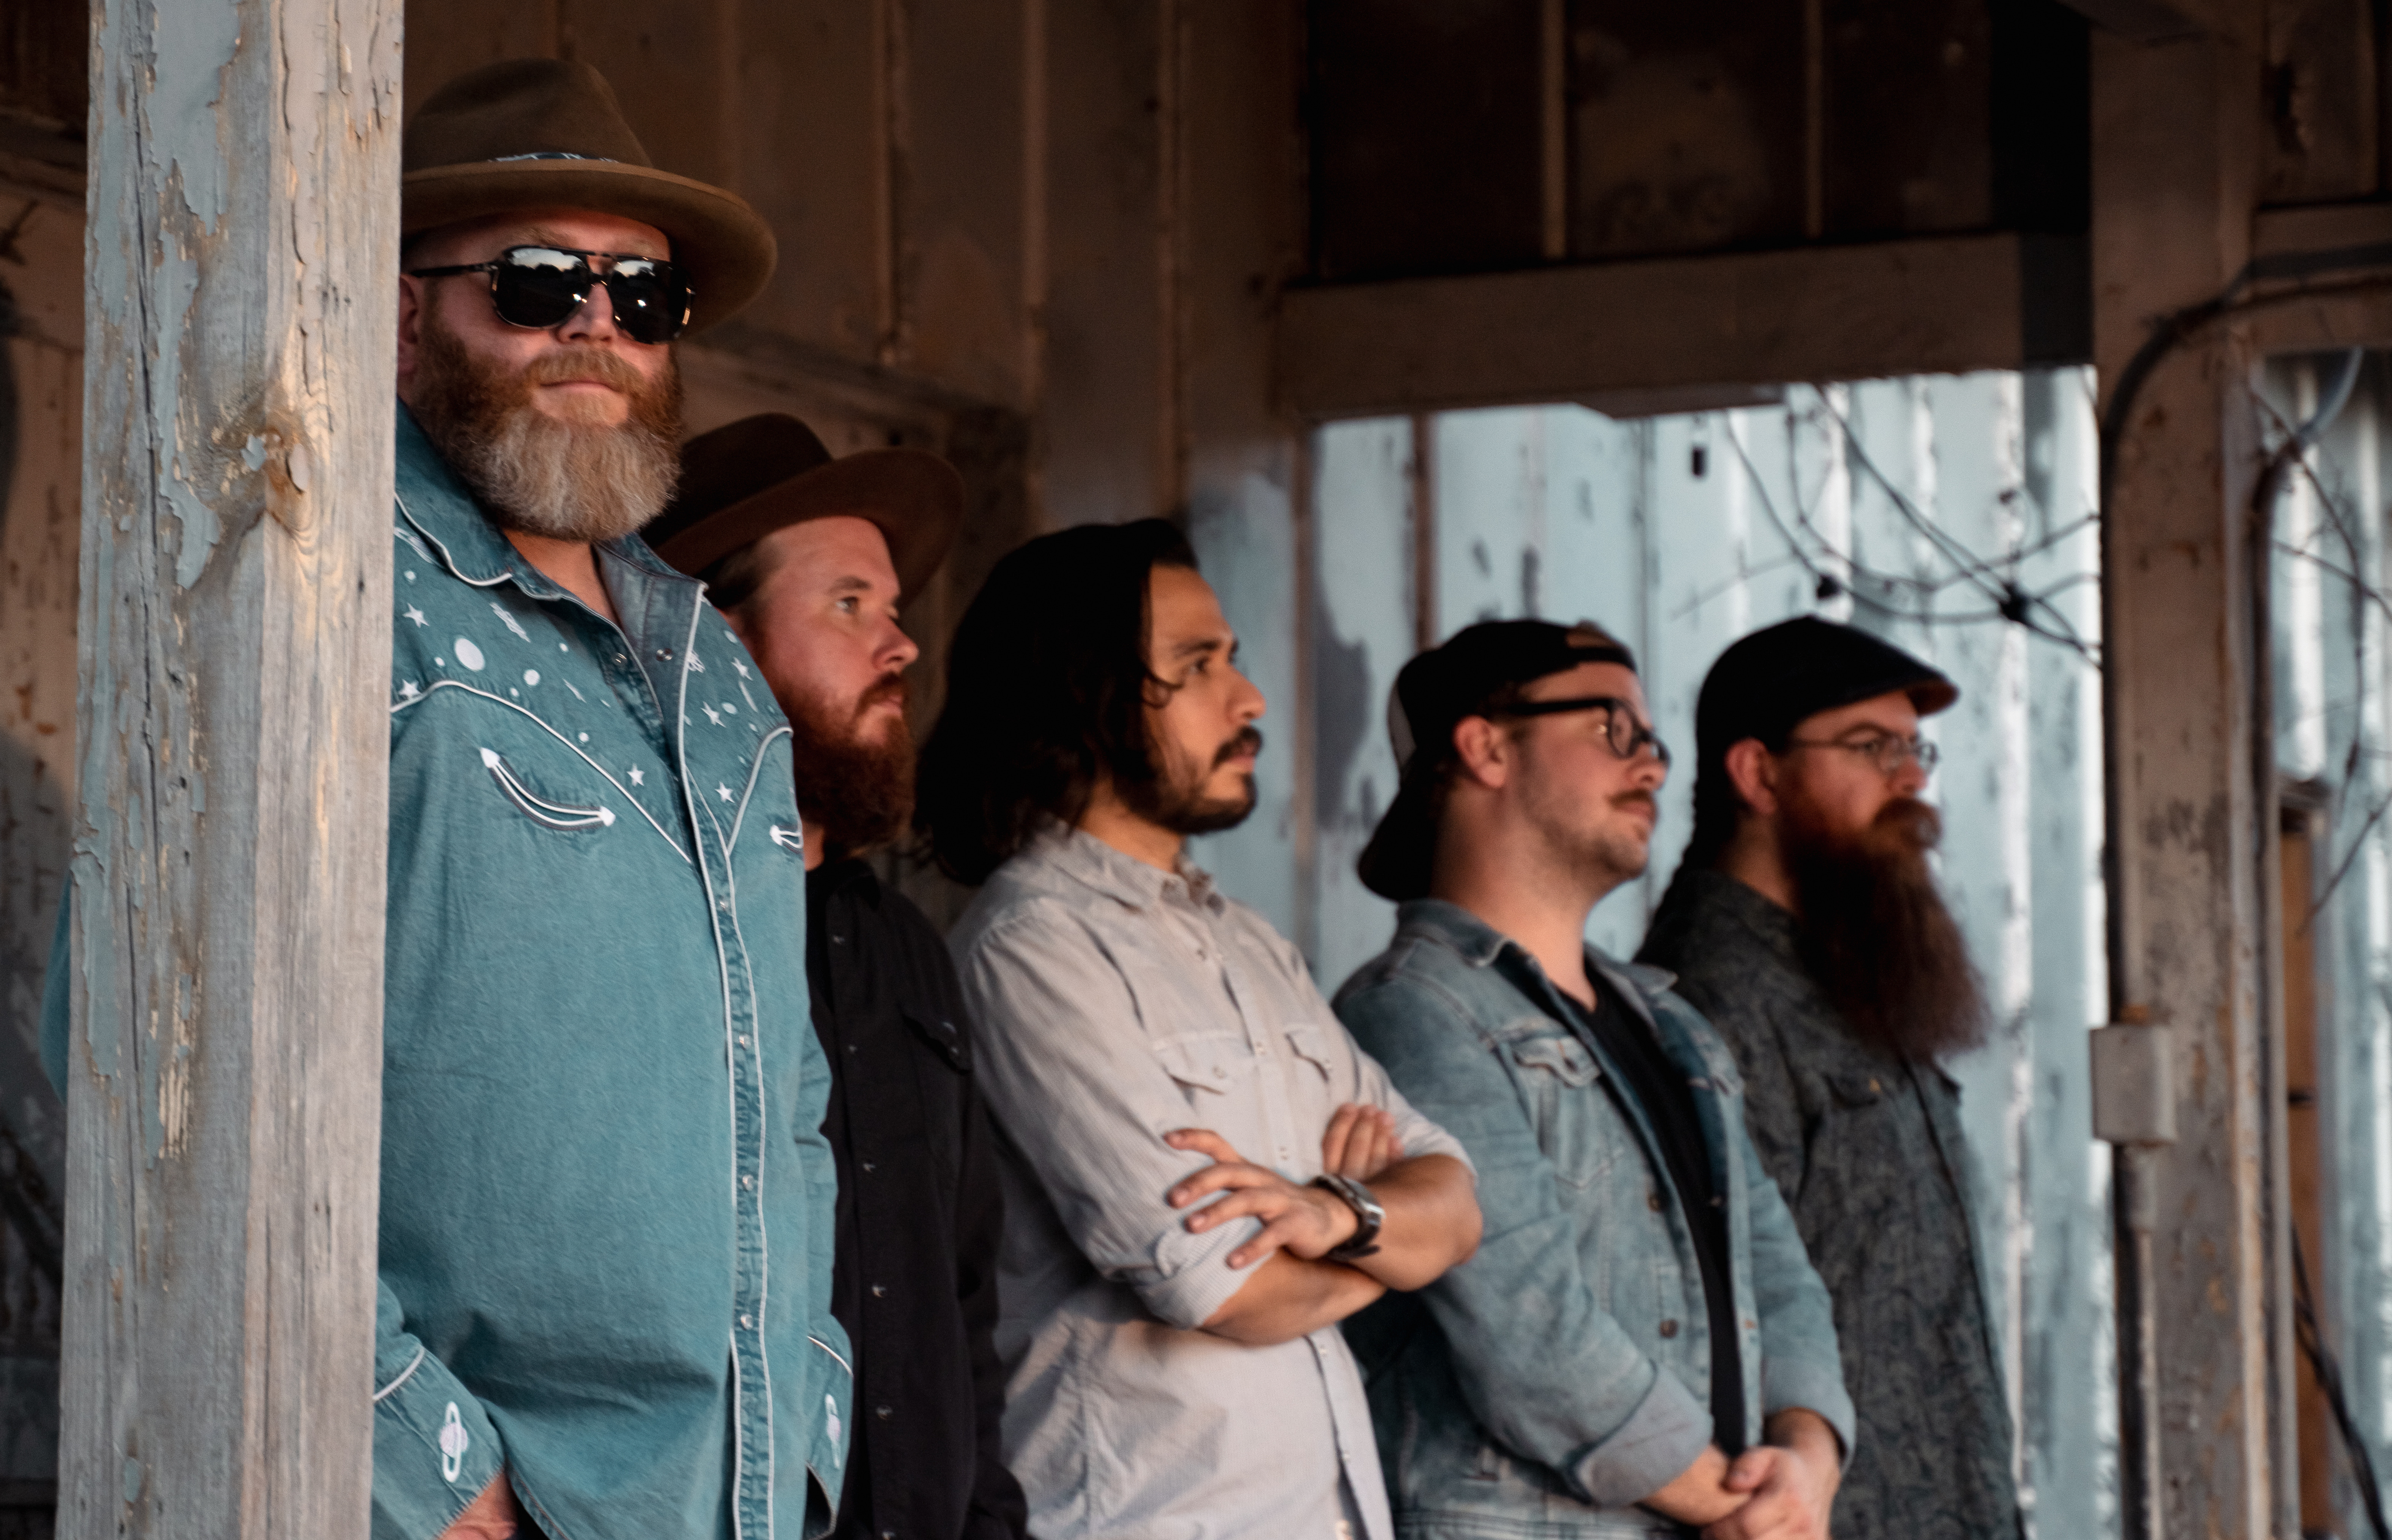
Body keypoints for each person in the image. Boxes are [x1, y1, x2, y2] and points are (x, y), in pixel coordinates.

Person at [54, 58, 842, 1540]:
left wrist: (801, 1417)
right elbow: (144, 1038)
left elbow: (784, 1085)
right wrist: (431, 1471)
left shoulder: (716, 672)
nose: (598, 326)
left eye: (642, 297)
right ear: (409, 311)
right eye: (541, 283)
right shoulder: (318, 599)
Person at [918, 519, 1484, 1540]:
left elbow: (1457, 1196)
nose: (1250, 697)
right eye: (1197, 665)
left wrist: (1339, 1214)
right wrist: (1387, 1236)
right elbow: (1223, 1286)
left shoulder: (1249, 942)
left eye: (1233, 657)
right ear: (1082, 697)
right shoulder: (1031, 945)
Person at [1333, 619, 1854, 1540]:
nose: (1652, 767)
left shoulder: (1673, 1025)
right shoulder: (1412, 1013)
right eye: (1614, 728)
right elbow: (1527, 1329)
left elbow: (1780, 1274)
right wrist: (1734, 1509)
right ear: (1487, 747)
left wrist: (1808, 1456)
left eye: (1652, 739)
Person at [643, 413, 1028, 1540]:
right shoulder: (635, 915)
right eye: (850, 605)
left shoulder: (905, 945)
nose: (901, 647)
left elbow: (962, 1302)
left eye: (896, 613)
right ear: (713, 636)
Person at [1637, 615, 2020, 1540]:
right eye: (1871, 746)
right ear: (1757, 773)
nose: (1912, 775)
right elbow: (1701, 1333)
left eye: (1914, 747)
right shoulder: (1705, 1003)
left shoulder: (1854, 970)